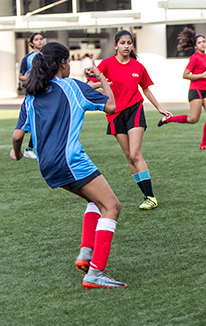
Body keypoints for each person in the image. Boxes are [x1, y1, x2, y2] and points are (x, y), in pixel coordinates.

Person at [10, 42, 127, 289]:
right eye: (69, 61)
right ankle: (95, 273)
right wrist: (102, 77)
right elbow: (111, 105)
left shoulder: (32, 96)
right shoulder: (72, 87)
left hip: (47, 167)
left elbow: (17, 136)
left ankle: (86, 253)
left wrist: (18, 154)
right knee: (112, 207)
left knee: (95, 201)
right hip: (70, 160)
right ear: (63, 62)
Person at [97, 30, 172, 210]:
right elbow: (93, 85)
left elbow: (145, 89)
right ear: (115, 46)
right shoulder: (106, 64)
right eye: (122, 43)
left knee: (134, 154)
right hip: (114, 114)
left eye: (129, 43)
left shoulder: (138, 67)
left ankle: (151, 197)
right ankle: (146, 196)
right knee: (128, 158)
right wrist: (101, 82)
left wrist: (159, 108)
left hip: (134, 110)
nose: (126, 46)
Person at [158, 27, 206, 150]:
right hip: (195, 90)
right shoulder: (194, 57)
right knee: (193, 119)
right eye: (199, 42)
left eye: (204, 41)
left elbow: (204, 71)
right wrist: (202, 75)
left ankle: (204, 144)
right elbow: (185, 75)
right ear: (195, 46)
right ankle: (168, 119)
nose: (202, 44)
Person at [18, 32, 45, 159]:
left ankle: (33, 147)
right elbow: (21, 76)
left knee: (42, 120)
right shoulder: (27, 58)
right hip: (33, 93)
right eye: (36, 39)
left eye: (41, 39)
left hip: (45, 92)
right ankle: (29, 148)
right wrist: (32, 80)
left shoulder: (46, 57)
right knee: (33, 120)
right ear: (31, 43)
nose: (40, 41)